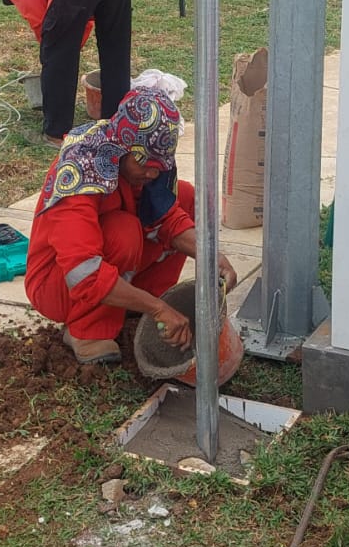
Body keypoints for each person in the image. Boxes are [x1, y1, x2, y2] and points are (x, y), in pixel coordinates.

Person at [25, 89, 238, 365]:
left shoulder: (140, 155)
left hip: (98, 271)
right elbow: (83, 272)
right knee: (124, 233)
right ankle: (87, 331)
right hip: (57, 284)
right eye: (145, 164)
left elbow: (166, 218)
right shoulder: (79, 170)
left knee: (184, 197)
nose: (152, 173)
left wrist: (211, 258)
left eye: (158, 166)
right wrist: (159, 309)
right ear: (122, 148)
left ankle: (136, 306)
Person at [0, 0, 132, 144]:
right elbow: (82, 18)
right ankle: (116, 126)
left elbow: (40, 20)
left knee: (57, 52)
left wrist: (55, 56)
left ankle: (56, 134)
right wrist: (70, 44)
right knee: (116, 47)